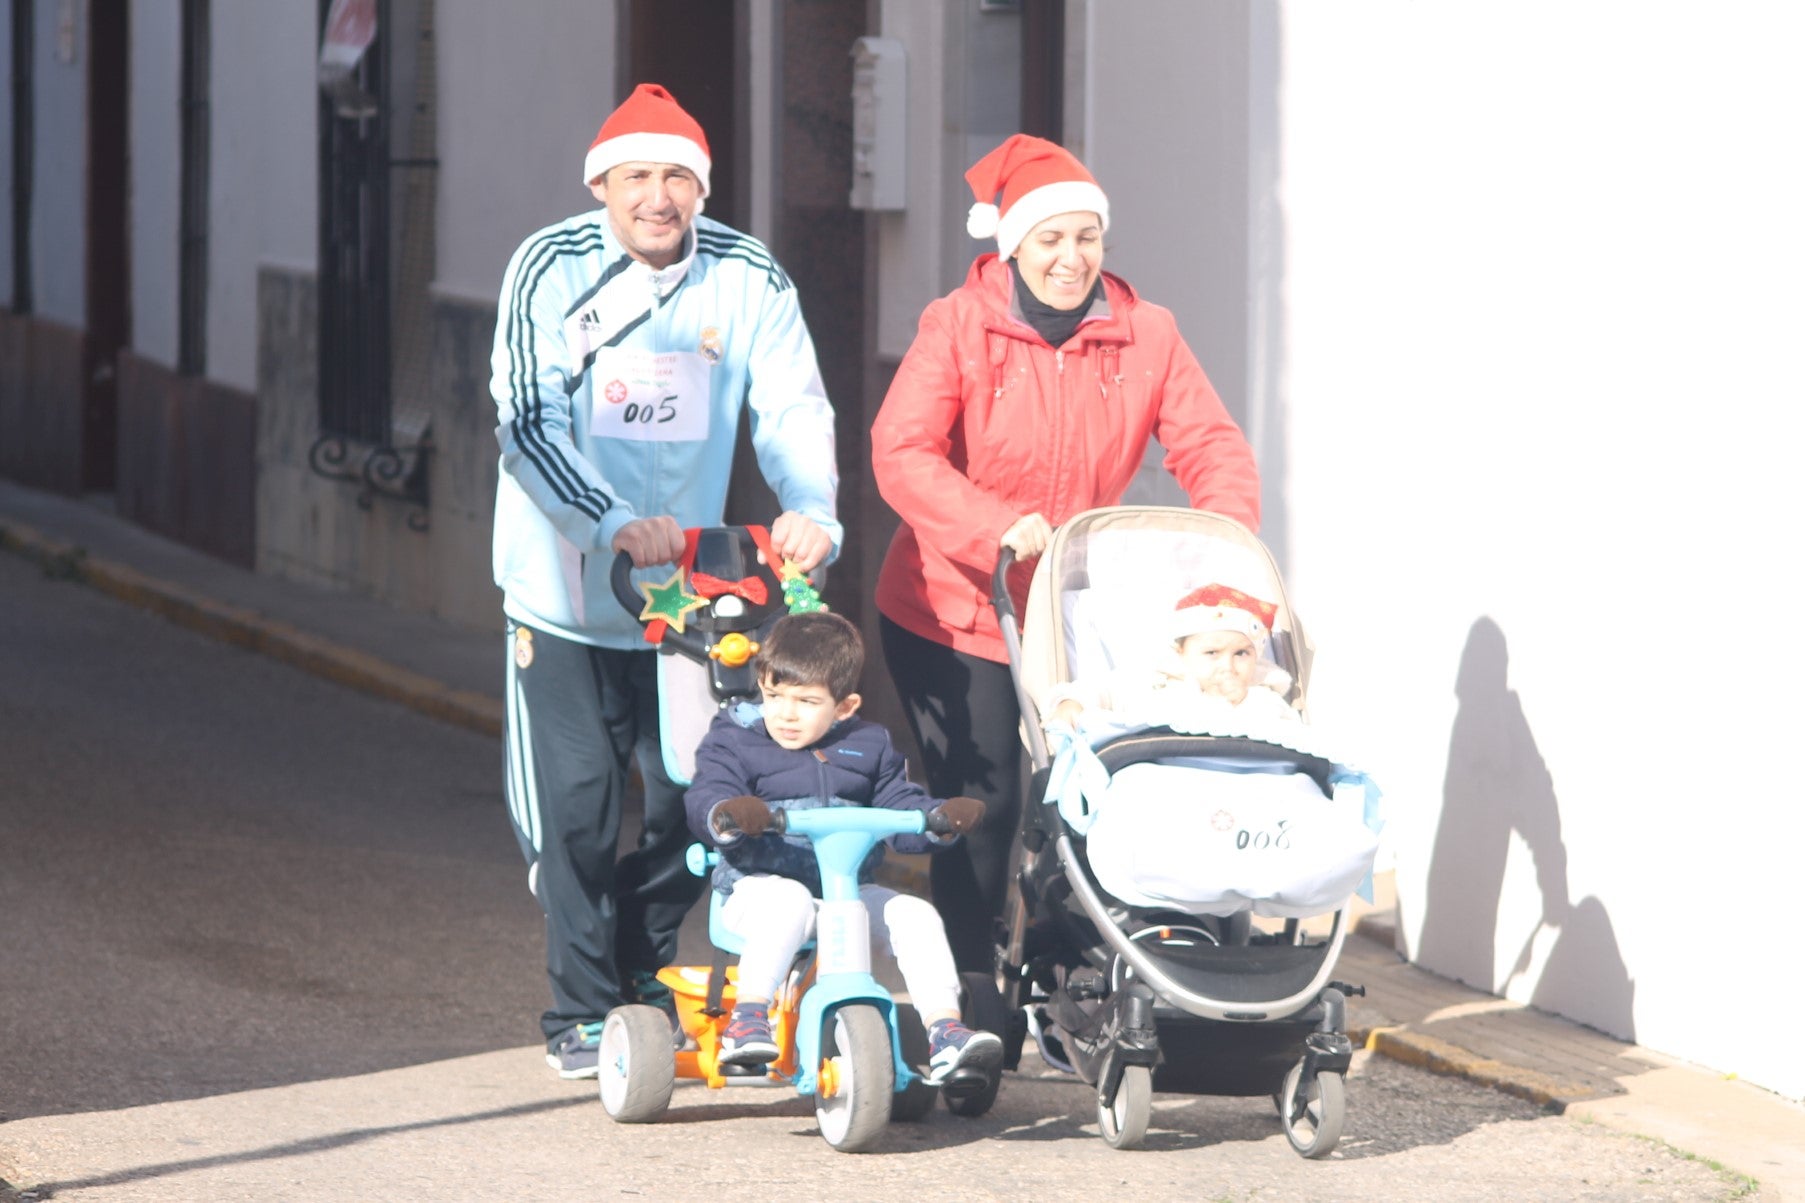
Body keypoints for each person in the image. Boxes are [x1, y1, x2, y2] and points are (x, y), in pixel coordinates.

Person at [490, 82, 841, 1079]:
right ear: (602, 184)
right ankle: (581, 1007)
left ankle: (640, 976)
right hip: (561, 591)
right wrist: (606, 522)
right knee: (579, 809)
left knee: (695, 801)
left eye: (678, 177)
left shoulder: (746, 274)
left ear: (701, 189)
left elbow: (791, 405)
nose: (659, 195)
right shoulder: (548, 268)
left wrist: (808, 510)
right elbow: (527, 418)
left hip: (686, 604)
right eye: (638, 176)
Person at [870, 133, 1263, 973]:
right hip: (953, 605)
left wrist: (1224, 555)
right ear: (1011, 244)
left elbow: (1212, 448)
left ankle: (1062, 971)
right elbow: (900, 451)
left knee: (1089, 791)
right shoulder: (958, 326)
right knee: (986, 805)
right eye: (1049, 239)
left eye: (1086, 238)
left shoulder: (1144, 334)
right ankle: (970, 995)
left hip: (1076, 611)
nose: (1069, 257)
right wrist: (990, 526)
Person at [683, 611, 1004, 1084]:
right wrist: (729, 814)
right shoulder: (734, 740)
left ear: (845, 706)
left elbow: (901, 811)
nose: (786, 713)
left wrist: (938, 821)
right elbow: (706, 794)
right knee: (789, 903)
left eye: (806, 701)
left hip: (846, 895)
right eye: (774, 695)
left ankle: (944, 1031)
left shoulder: (867, 745)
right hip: (756, 891)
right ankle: (748, 1017)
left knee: (916, 915)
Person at [1046, 583, 1298, 735]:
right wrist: (1071, 703)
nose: (1227, 667)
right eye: (1212, 653)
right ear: (1181, 653)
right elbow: (1103, 690)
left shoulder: (1263, 696)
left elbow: (1288, 739)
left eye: (1241, 653)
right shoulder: (1154, 682)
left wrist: (1240, 703)